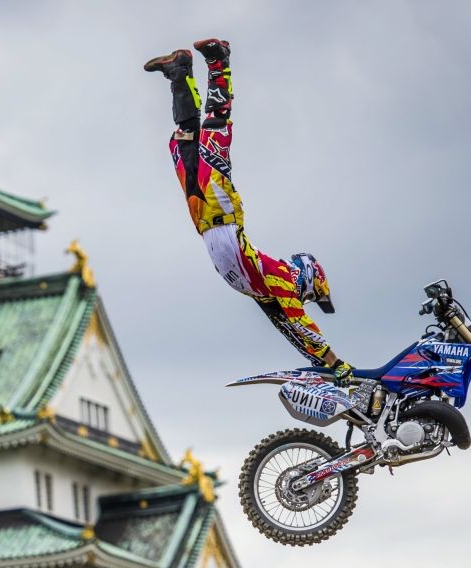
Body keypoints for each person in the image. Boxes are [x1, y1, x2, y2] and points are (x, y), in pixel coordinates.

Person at [144, 40, 353, 383]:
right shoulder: (281, 276)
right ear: (306, 276)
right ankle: (218, 62)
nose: (301, 298)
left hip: (203, 218)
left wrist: (325, 368)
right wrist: (337, 363)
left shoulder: (267, 293)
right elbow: (303, 325)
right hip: (222, 211)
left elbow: (292, 330)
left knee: (183, 138)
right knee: (214, 127)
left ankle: (178, 70)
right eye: (308, 292)